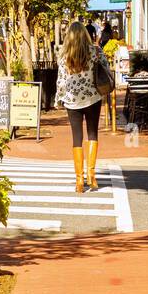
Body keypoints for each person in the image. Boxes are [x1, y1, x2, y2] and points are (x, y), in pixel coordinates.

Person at [55, 21, 103, 194]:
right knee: (92, 133)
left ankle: (79, 180)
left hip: (72, 100)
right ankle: (91, 175)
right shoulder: (95, 51)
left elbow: (60, 80)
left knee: (77, 137)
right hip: (92, 97)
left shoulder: (64, 55)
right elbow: (105, 69)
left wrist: (58, 98)